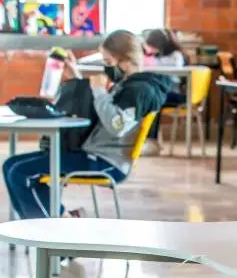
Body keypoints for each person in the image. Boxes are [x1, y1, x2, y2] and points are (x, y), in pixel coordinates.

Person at [2, 30, 170, 220]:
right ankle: (61, 219)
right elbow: (100, 109)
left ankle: (50, 229)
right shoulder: (128, 84)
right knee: (10, 165)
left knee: (20, 172)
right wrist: (76, 75)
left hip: (106, 162)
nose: (106, 67)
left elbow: (117, 126)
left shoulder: (141, 90)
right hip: (93, 154)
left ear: (125, 60)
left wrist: (99, 90)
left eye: (108, 61)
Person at [143, 28, 188, 154]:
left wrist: (148, 61)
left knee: (153, 100)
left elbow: (161, 66)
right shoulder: (156, 56)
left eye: (152, 46)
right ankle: (145, 140)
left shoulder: (176, 56)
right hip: (162, 93)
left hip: (175, 94)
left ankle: (151, 141)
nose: (149, 49)